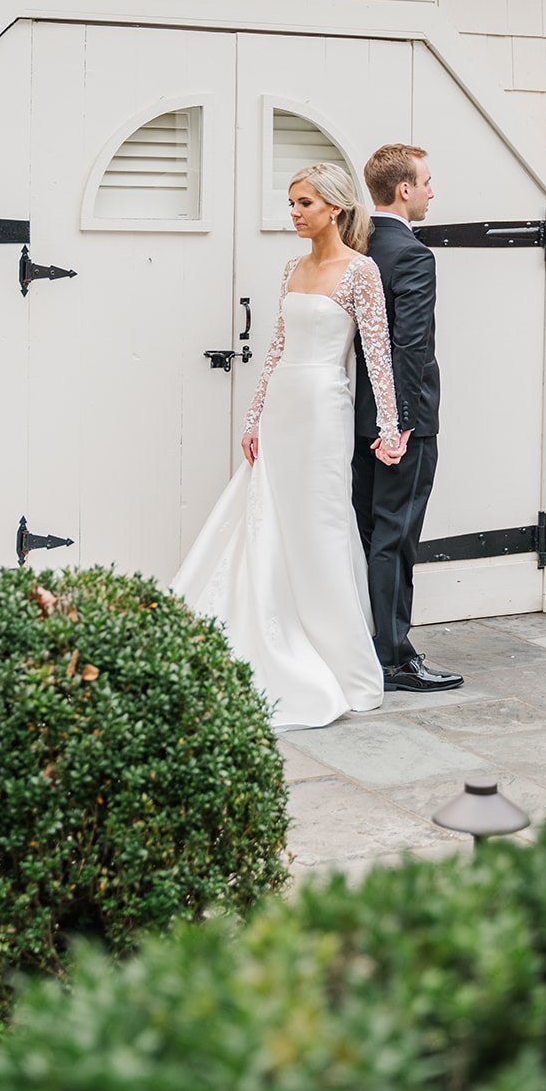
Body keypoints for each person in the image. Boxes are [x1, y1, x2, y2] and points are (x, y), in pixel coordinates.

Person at [171, 162, 402, 729]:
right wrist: (253, 418)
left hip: (325, 409)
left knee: (320, 524)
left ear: (336, 208)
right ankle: (266, 632)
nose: (295, 213)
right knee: (267, 517)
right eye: (292, 203)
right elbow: (276, 347)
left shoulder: (362, 272)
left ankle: (341, 664)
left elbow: (377, 355)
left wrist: (390, 428)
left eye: (305, 203)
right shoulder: (291, 269)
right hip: (282, 409)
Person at [352, 144, 464, 694]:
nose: (430, 192)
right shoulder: (413, 255)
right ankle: (394, 657)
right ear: (404, 189)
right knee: (397, 537)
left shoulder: (354, 245)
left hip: (355, 416)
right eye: (426, 182)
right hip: (403, 423)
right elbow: (410, 347)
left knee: (372, 532)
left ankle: (370, 644)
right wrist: (397, 425)